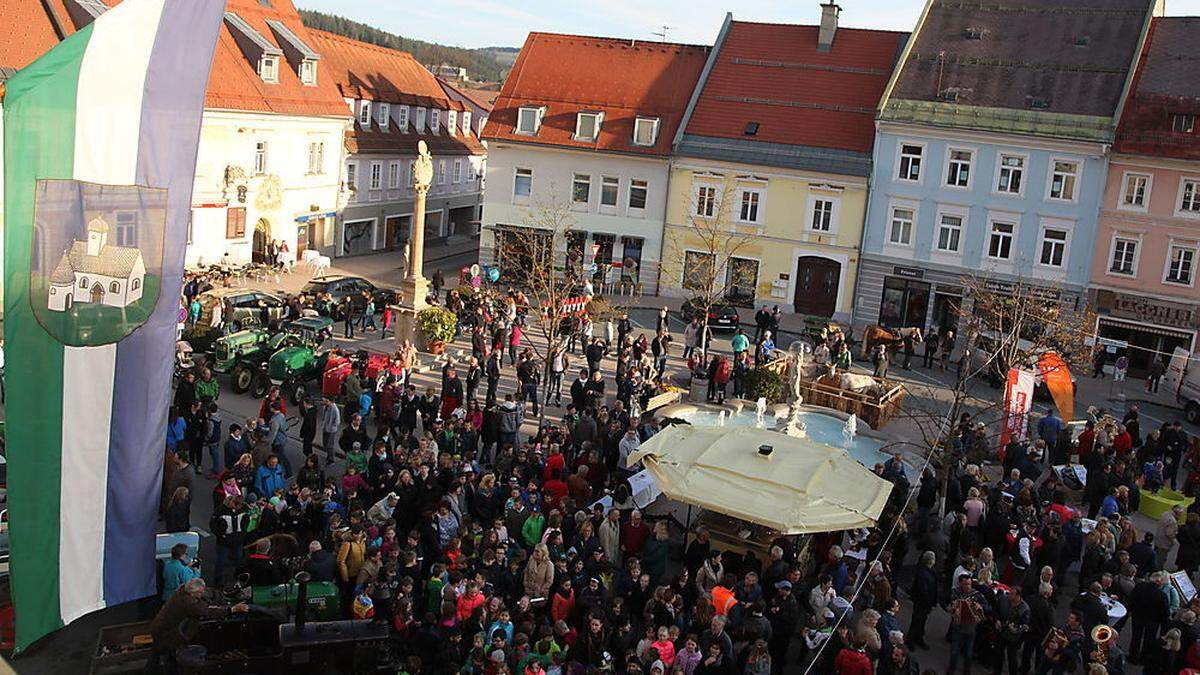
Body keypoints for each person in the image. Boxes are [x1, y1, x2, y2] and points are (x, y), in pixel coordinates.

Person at [149, 578, 248, 672]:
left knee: (157, 654)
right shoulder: (188, 602)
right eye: (200, 593)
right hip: (167, 632)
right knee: (169, 657)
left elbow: (201, 606)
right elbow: (206, 612)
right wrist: (232, 609)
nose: (202, 594)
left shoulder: (183, 589)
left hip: (159, 627)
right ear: (193, 593)